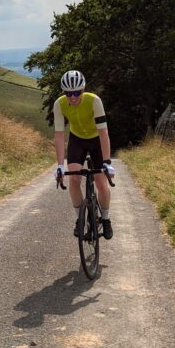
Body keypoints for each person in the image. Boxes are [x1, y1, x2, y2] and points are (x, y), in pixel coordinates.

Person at [53, 70, 116, 239]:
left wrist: (107, 162)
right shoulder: (59, 104)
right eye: (68, 93)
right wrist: (60, 165)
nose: (72, 97)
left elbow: (104, 133)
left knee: (101, 184)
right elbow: (59, 135)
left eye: (76, 92)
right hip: (77, 140)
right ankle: (79, 219)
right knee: (73, 179)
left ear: (83, 89)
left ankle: (105, 218)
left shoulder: (94, 101)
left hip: (96, 140)